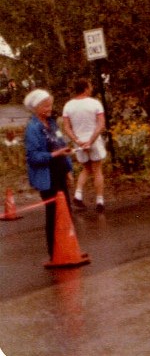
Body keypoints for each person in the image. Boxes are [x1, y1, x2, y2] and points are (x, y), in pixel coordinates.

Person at [23, 88, 74, 261]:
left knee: (66, 210)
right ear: (36, 108)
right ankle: (54, 253)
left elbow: (60, 143)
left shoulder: (52, 123)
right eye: (45, 106)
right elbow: (33, 156)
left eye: (50, 105)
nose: (49, 109)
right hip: (46, 174)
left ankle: (67, 246)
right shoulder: (32, 128)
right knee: (53, 213)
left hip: (59, 170)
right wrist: (53, 155)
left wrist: (68, 169)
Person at [63, 77, 107, 213]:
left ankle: (78, 194)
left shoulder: (68, 106)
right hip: (93, 140)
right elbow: (101, 124)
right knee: (97, 169)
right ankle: (99, 200)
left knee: (86, 168)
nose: (92, 88)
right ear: (86, 88)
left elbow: (66, 127)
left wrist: (76, 140)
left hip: (80, 141)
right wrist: (92, 140)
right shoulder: (95, 103)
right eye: (90, 86)